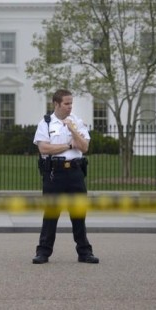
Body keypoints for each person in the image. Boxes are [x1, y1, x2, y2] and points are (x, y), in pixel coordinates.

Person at [32, 89, 99, 264]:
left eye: (71, 103)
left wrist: (73, 130)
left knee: (78, 214)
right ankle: (43, 252)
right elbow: (44, 149)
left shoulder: (77, 122)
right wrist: (69, 145)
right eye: (66, 103)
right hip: (54, 173)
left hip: (75, 172)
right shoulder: (45, 124)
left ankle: (84, 252)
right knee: (51, 214)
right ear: (56, 104)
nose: (70, 107)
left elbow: (84, 147)